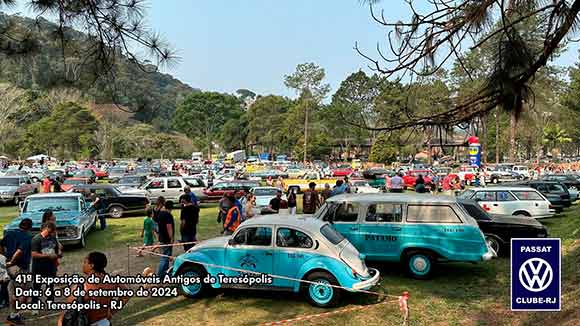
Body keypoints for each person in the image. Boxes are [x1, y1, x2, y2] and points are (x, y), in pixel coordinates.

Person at [58, 252, 130, 326]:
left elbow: (67, 311)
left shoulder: (81, 286)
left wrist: (60, 322)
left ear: (92, 265)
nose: (83, 265)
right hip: (104, 322)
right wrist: (112, 311)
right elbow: (126, 295)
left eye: (85, 262)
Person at [1, 219, 32, 325]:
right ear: (29, 227)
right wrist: (12, 262)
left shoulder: (10, 233)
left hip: (10, 268)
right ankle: (13, 316)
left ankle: (14, 314)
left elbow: (1, 244)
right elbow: (19, 251)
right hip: (20, 268)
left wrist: (4, 257)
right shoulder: (27, 237)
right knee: (23, 292)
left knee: (12, 290)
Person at [31, 222, 60, 306]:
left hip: (51, 267)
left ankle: (50, 301)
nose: (51, 233)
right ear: (46, 228)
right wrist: (47, 256)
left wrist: (58, 254)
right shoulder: (36, 239)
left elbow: (57, 250)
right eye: (50, 230)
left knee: (50, 285)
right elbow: (34, 254)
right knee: (37, 286)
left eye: (52, 231)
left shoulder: (53, 238)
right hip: (39, 267)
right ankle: (34, 304)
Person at [156, 201, 174, 279]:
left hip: (162, 237)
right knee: (164, 257)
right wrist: (171, 238)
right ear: (171, 207)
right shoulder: (168, 215)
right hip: (166, 239)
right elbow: (169, 226)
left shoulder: (160, 214)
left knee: (165, 257)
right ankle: (160, 275)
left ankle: (164, 274)